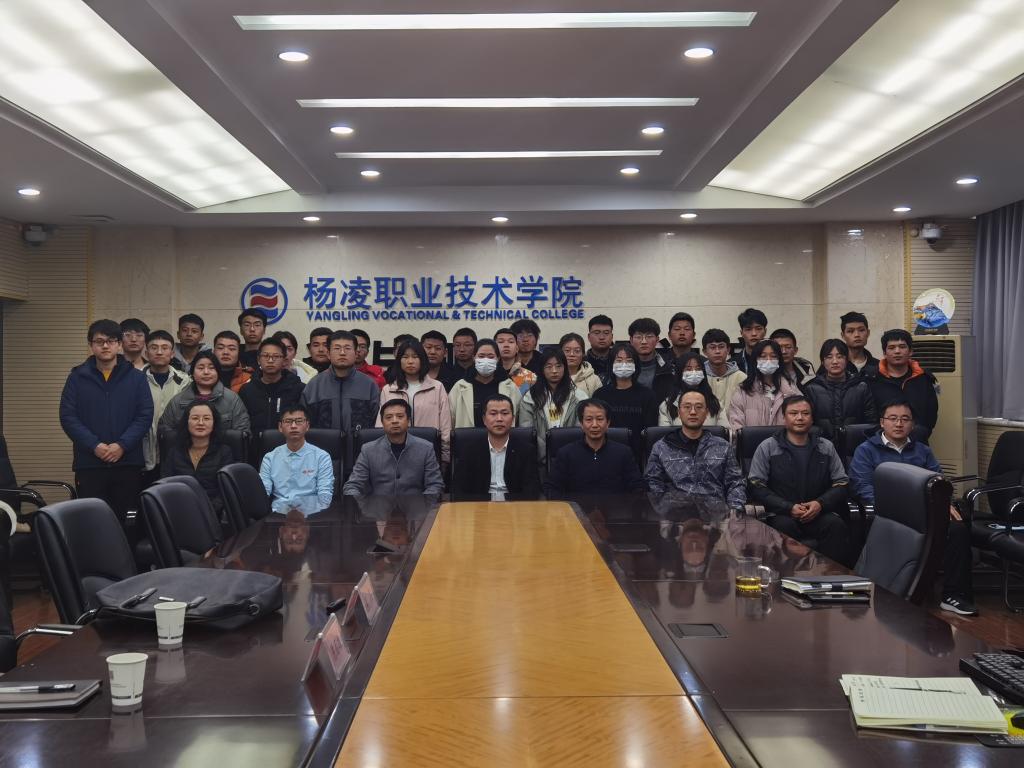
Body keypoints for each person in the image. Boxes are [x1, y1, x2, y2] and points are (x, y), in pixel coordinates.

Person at [848, 398, 977, 615]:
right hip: (888, 515)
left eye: (905, 419)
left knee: (957, 530)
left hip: (924, 514)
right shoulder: (866, 450)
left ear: (912, 424)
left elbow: (938, 482)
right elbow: (863, 487)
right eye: (893, 418)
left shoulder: (922, 451)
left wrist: (944, 505)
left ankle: (954, 595)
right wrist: (899, 508)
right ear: (882, 422)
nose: (899, 424)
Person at [59, 319, 153, 533]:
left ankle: (129, 556)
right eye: (99, 341)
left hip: (127, 462)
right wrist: (95, 445)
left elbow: (144, 415)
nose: (105, 346)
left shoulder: (137, 378)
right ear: (91, 345)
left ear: (119, 344)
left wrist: (122, 445)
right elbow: (68, 417)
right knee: (91, 523)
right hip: (90, 463)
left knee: (128, 521)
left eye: (111, 341)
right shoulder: (76, 377)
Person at [747, 395, 850, 564]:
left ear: (812, 418)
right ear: (784, 417)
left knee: (836, 525)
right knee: (782, 527)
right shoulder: (768, 447)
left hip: (818, 512)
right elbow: (756, 485)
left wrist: (820, 504)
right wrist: (788, 507)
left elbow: (842, 483)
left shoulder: (826, 447)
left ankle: (830, 575)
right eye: (793, 413)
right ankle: (785, 577)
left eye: (805, 413)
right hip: (781, 514)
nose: (800, 418)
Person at [644, 390, 745, 509]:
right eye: (687, 407)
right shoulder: (662, 447)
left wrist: (734, 510)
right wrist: (663, 511)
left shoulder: (723, 447)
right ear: (679, 412)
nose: (693, 412)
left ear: (706, 413)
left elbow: (736, 482)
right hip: (675, 514)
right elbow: (652, 483)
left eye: (699, 407)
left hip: (715, 515)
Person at [544, 399, 645, 498]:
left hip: (615, 508)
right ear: (581, 423)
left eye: (600, 419)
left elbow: (638, 487)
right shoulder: (566, 453)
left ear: (608, 423)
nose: (595, 425)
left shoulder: (624, 453)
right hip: (576, 508)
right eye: (589, 420)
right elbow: (551, 489)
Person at [376, 340, 452, 468]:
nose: (410, 361)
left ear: (423, 360)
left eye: (415, 357)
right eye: (405, 357)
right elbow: (380, 425)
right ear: (399, 361)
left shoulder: (437, 387)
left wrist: (445, 457)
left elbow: (445, 425)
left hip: (429, 453)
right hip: (394, 454)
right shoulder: (388, 390)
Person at [344, 400, 443, 496]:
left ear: (408, 420)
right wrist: (363, 505)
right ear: (382, 422)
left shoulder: (426, 448)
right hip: (378, 506)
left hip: (416, 506)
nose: (394, 421)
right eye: (389, 417)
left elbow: (435, 485)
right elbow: (353, 485)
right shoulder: (368, 450)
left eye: (400, 416)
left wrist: (422, 504)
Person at [449, 394, 540, 499]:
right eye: (493, 414)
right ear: (484, 419)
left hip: (514, 505)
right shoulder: (469, 451)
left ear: (513, 419)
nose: (499, 419)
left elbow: (532, 491)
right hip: (479, 505)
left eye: (505, 413)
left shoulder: (526, 450)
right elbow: (458, 490)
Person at [160, 401, 234, 516]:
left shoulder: (224, 452)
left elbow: (225, 491)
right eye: (195, 418)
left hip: (212, 515)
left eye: (206, 418)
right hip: (178, 513)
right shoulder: (175, 452)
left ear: (214, 423)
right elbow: (164, 485)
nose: (200, 423)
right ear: (187, 422)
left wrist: (208, 511)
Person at [864, 329, 939, 442]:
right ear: (884, 353)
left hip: (916, 443)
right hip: (879, 444)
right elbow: (867, 416)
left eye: (902, 347)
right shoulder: (872, 378)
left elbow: (930, 415)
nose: (897, 351)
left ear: (910, 351)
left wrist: (919, 433)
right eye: (891, 347)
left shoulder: (924, 379)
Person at [518, 348, 587, 469]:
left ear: (565, 368)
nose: (554, 371)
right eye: (549, 367)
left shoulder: (579, 397)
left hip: (571, 459)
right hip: (539, 461)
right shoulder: (530, 398)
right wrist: (546, 451)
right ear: (542, 369)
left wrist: (565, 453)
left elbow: (580, 430)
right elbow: (527, 431)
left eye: (559, 366)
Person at [301, 330, 381, 435]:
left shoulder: (369, 385)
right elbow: (304, 422)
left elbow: (376, 422)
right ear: (328, 354)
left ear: (355, 353)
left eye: (347, 348)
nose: (342, 353)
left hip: (361, 445)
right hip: (323, 444)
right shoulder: (314, 385)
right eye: (337, 348)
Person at [259, 405, 334, 513]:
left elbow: (325, 494)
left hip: (312, 514)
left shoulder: (322, 457)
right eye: (288, 421)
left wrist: (315, 514)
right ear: (280, 427)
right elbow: (263, 493)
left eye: (299, 421)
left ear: (307, 425)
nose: (293, 426)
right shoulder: (269, 458)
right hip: (279, 514)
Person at [159, 350, 251, 433]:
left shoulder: (232, 399)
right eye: (201, 368)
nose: (206, 372)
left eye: (211, 368)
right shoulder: (178, 401)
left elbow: (242, 433)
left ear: (218, 372)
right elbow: (165, 432)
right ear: (192, 373)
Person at [592, 342, 659, 456]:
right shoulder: (600, 395)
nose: (624, 364)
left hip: (637, 454)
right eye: (619, 361)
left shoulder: (648, 395)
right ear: (611, 364)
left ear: (636, 365)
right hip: (605, 452)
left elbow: (650, 431)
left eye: (629, 361)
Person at [141, 329, 191, 482]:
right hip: (142, 453)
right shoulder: (135, 380)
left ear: (172, 353)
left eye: (165, 348)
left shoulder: (185, 382)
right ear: (146, 352)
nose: (159, 352)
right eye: (154, 347)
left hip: (176, 451)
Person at [803, 339, 877, 440]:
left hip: (855, 445)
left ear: (847, 360)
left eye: (839, 357)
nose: (835, 361)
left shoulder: (861, 387)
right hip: (821, 445)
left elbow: (871, 422)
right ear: (822, 362)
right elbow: (807, 422)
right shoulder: (812, 389)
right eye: (829, 357)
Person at [727, 339, 802, 429]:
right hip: (752, 438)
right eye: (763, 356)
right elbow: (736, 426)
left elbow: (799, 422)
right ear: (755, 360)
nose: (768, 360)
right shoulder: (742, 391)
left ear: (779, 360)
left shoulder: (791, 391)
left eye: (773, 356)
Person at [448, 339, 522, 428]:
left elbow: (518, 417)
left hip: (502, 436)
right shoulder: (460, 386)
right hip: (467, 436)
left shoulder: (510, 386)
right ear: (474, 357)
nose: (486, 360)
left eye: (491, 357)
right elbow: (450, 418)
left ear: (498, 358)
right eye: (481, 356)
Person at [238, 338, 306, 433]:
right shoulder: (247, 390)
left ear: (284, 360)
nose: (270, 360)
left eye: (276, 356)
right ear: (258, 360)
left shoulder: (298, 389)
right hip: (255, 441)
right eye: (266, 356)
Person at [658, 351, 727, 428]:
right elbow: (664, 433)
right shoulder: (667, 405)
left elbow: (725, 431)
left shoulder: (715, 403)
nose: (694, 372)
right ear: (680, 372)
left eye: (698, 369)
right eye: (688, 369)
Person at [701, 329, 746, 421]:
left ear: (728, 350)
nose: (717, 351)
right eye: (712, 347)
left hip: (735, 427)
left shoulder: (742, 378)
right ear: (704, 351)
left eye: (721, 347)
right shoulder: (699, 377)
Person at [628, 318, 674, 401]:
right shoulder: (623, 367)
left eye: (649, 336)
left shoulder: (669, 367)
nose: (644, 341)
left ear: (657, 340)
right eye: (638, 337)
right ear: (631, 340)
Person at [495, 327, 537, 395]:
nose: (506, 345)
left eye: (511, 342)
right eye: (501, 342)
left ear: (517, 348)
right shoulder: (489, 374)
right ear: (494, 348)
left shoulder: (530, 377)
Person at [730, 308, 768, 375]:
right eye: (748, 329)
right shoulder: (731, 365)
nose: (754, 333)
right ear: (741, 333)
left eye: (758, 329)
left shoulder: (774, 362)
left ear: (765, 331)